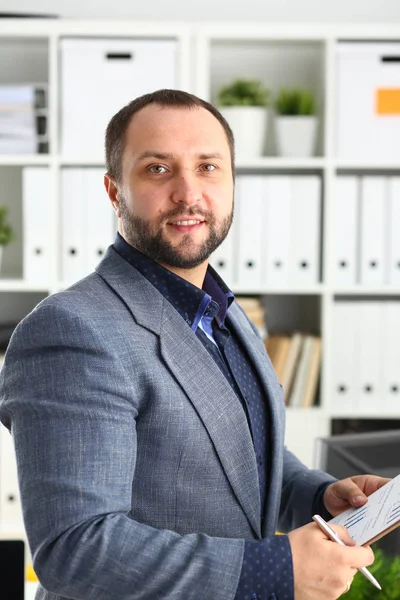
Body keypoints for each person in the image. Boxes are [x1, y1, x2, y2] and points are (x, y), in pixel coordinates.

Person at [0, 89, 389, 600]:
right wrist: (274, 569)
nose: (188, 192)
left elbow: (227, 449)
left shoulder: (221, 307)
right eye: (158, 169)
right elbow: (74, 548)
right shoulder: (73, 331)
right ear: (114, 191)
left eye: (208, 167)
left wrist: (315, 494)